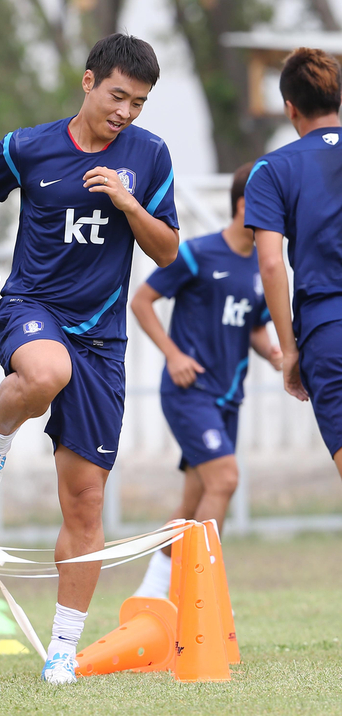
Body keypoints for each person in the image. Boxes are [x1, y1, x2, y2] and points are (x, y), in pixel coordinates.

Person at [0, 33, 179, 683]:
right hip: (32, 308)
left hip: (102, 339)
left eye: (138, 103)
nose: (126, 112)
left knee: (85, 504)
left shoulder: (150, 156)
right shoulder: (30, 145)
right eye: (117, 96)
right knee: (46, 371)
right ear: (88, 83)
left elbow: (167, 253)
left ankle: (62, 649)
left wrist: (129, 203)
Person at [131, 163, 282, 599]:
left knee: (192, 505)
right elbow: (142, 301)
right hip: (189, 392)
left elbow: (252, 324)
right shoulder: (197, 253)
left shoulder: (262, 266)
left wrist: (271, 350)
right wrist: (173, 354)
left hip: (228, 397)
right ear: (244, 206)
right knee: (225, 481)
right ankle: (202, 596)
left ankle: (150, 595)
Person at [245, 48, 342, 478]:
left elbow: (270, 265)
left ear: (289, 107)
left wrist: (289, 351)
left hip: (328, 328)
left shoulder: (271, 170)